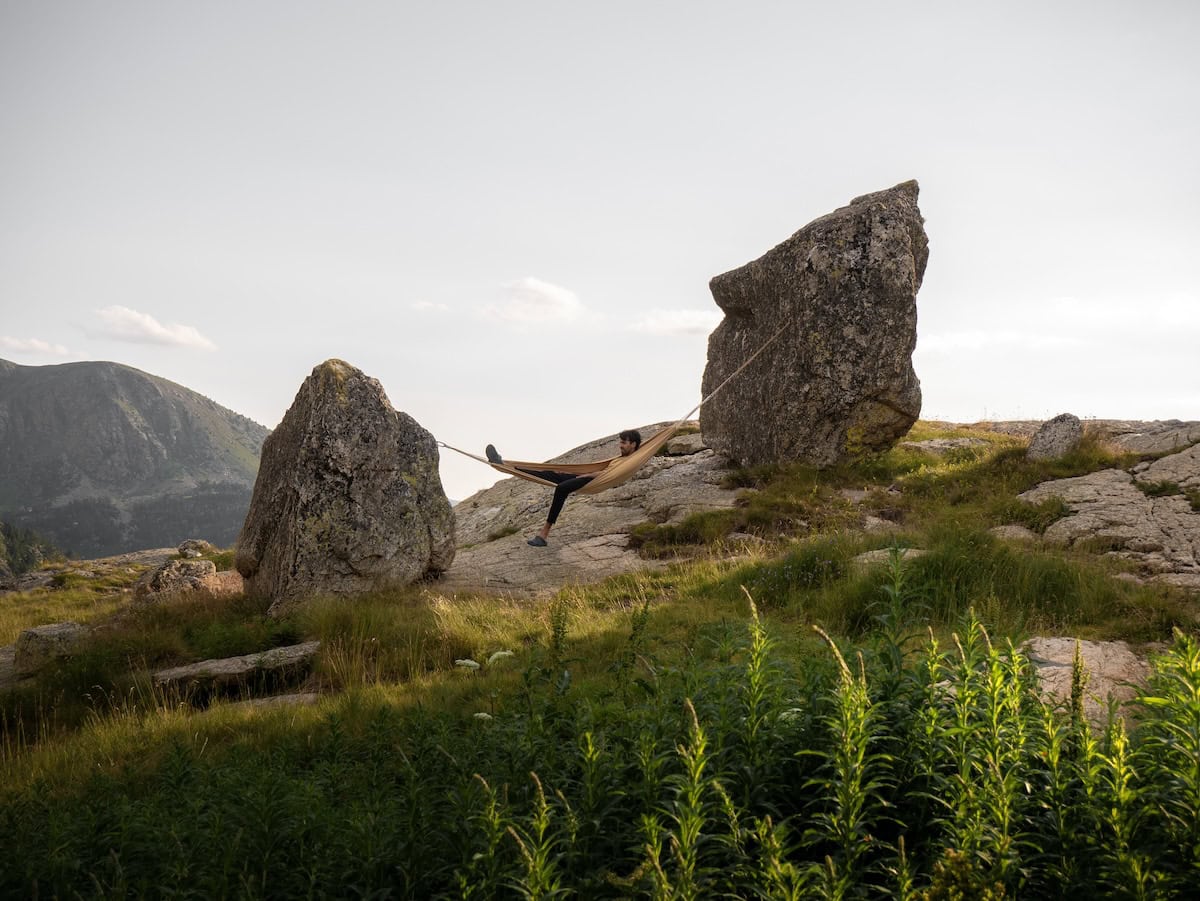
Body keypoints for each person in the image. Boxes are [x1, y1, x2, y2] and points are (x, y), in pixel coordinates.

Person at [486, 429, 642, 547]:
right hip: (587, 478)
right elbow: (600, 470)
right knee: (550, 473)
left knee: (561, 489)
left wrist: (585, 477)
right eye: (620, 442)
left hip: (592, 481)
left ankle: (543, 535)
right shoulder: (620, 458)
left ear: (633, 444)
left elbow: (610, 475)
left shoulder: (631, 460)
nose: (620, 446)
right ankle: (505, 465)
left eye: (623, 443)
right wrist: (570, 471)